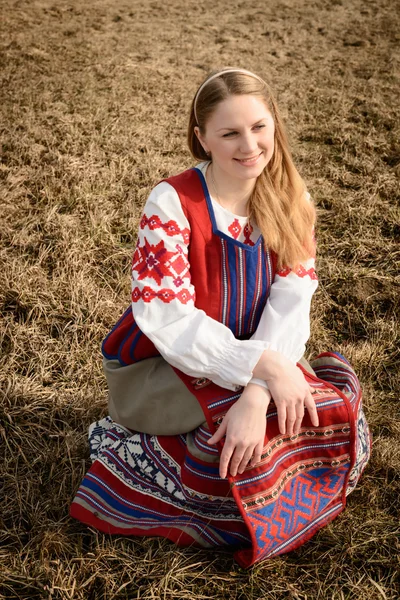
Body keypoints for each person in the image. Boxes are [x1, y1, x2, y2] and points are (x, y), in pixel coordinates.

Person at [70, 68, 371, 567]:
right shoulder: (172, 202)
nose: (248, 145)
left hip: (258, 355)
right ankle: (131, 446)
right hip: (168, 364)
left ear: (274, 125)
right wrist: (264, 371)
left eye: (258, 127)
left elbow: (292, 300)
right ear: (201, 138)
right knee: (223, 456)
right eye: (229, 132)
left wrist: (260, 386)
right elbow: (167, 318)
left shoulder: (292, 198)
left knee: (323, 416)